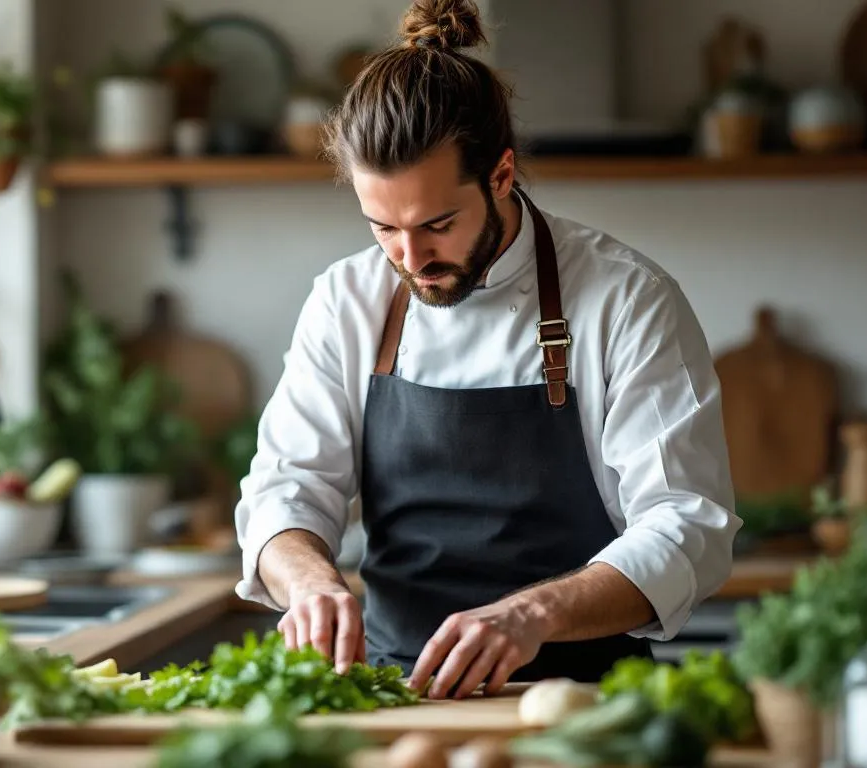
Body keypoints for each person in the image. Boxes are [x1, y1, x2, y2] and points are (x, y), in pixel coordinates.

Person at [233, 0, 740, 700]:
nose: (411, 258)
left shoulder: (626, 299)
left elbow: (689, 524)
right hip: (396, 695)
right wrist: (312, 583)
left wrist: (530, 614)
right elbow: (284, 491)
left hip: (582, 704)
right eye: (382, 226)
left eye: (437, 223)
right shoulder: (347, 300)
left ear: (502, 176)